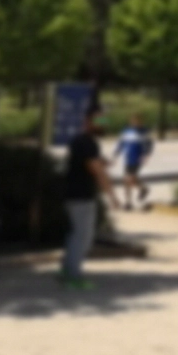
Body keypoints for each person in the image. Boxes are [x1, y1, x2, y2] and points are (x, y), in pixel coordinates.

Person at [59, 108, 113, 290]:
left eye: (105, 121)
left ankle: (67, 270)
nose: (103, 124)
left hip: (74, 194)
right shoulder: (88, 143)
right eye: (100, 121)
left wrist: (99, 161)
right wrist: (112, 196)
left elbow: (89, 163)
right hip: (81, 196)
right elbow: (96, 171)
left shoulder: (81, 141)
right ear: (88, 121)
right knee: (83, 236)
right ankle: (74, 276)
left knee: (76, 234)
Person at [114, 117, 154, 211]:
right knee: (130, 179)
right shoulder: (126, 131)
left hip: (138, 158)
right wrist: (116, 154)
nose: (135, 123)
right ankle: (141, 190)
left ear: (141, 122)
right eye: (133, 121)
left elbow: (149, 144)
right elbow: (121, 143)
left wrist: (146, 155)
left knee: (128, 179)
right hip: (128, 158)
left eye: (137, 121)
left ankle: (128, 202)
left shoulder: (145, 131)